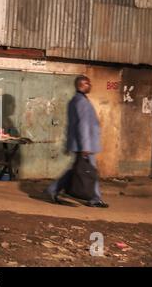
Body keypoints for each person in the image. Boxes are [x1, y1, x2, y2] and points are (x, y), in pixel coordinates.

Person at [45, 75, 109, 208]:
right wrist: (85, 146)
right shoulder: (81, 102)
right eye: (87, 83)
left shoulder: (75, 100)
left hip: (81, 143)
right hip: (86, 144)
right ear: (81, 85)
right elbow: (83, 125)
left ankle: (52, 189)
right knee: (90, 172)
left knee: (77, 170)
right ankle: (95, 198)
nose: (90, 86)